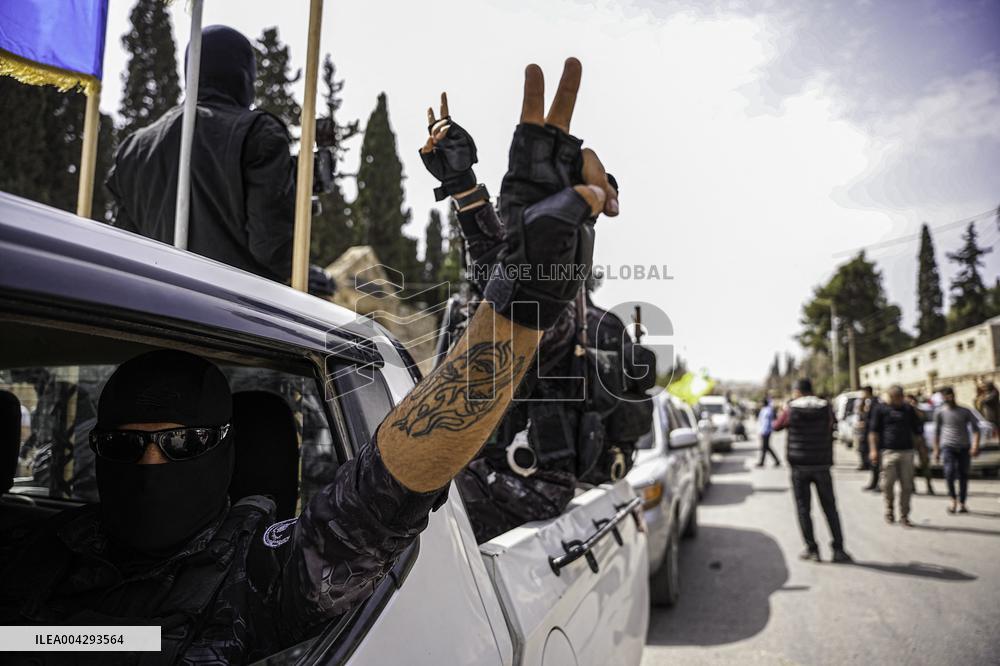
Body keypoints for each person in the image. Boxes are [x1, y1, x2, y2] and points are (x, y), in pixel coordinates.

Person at [0, 58, 618, 664]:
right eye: (125, 447)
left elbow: (391, 483)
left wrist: (522, 287)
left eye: (184, 443)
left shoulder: (252, 586)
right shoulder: (34, 551)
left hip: (519, 480)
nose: (152, 466)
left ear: (226, 448)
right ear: (94, 447)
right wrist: (471, 202)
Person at [107, 26, 295, 282]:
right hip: (234, 312)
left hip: (155, 308)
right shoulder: (258, 134)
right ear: (242, 78)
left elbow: (125, 249)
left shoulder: (133, 149)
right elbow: (273, 252)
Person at [772, 378, 852, 563]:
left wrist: (784, 411)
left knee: (803, 509)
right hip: (822, 464)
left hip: (799, 467)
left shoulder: (790, 409)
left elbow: (776, 426)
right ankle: (839, 550)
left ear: (797, 391)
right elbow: (833, 425)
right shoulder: (825, 407)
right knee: (830, 508)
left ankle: (812, 549)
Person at [868, 385, 921, 526]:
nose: (894, 400)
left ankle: (904, 515)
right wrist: (873, 450)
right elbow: (873, 432)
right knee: (887, 484)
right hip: (888, 451)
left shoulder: (908, 409)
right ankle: (889, 510)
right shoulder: (881, 409)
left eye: (897, 397)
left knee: (907, 486)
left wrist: (920, 451)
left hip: (907, 452)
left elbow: (917, 431)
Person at [934, 386, 981, 514]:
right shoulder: (940, 412)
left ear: (954, 395)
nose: (948, 398)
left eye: (950, 395)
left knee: (963, 475)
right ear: (942, 398)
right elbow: (937, 432)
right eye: (945, 396)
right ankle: (953, 500)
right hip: (947, 446)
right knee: (949, 473)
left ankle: (962, 502)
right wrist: (936, 450)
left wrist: (975, 446)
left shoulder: (965, 411)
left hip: (964, 447)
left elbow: (976, 429)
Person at [906, 393, 935, 495]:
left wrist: (914, 408)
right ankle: (912, 486)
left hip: (920, 438)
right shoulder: (905, 412)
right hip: (909, 439)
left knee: (925, 463)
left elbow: (923, 418)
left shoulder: (919, 411)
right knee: (910, 464)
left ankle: (929, 485)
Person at [756, 397, 780, 467]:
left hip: (766, 431)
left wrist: (763, 431)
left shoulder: (767, 410)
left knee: (765, 447)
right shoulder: (764, 410)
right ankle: (776, 460)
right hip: (764, 430)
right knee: (766, 447)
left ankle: (762, 462)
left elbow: (766, 422)